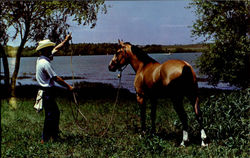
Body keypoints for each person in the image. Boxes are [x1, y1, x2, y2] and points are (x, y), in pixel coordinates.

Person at [35, 34, 73, 143]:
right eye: (49, 48)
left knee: (54, 114)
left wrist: (66, 40)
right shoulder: (45, 63)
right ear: (45, 50)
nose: (52, 49)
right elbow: (56, 78)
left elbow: (57, 48)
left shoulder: (42, 58)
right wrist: (69, 87)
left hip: (46, 92)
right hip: (47, 92)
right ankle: (45, 139)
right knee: (51, 115)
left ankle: (53, 136)